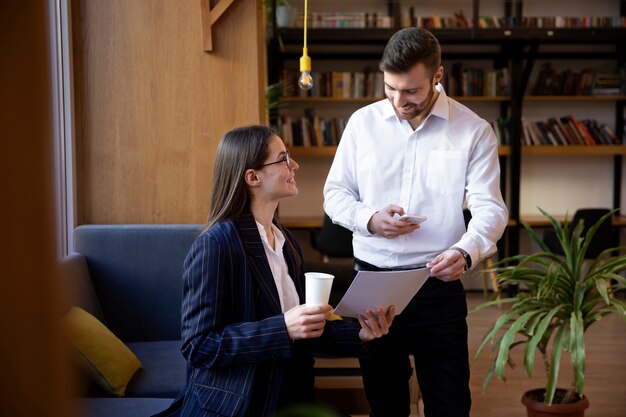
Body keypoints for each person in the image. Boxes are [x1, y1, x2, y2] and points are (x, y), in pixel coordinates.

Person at [323, 27, 508, 417]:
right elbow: (335, 195)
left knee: (450, 402)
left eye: (410, 91)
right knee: (384, 403)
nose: (397, 100)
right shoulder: (362, 124)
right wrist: (370, 219)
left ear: (437, 76)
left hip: (437, 284)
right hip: (373, 285)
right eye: (390, 88)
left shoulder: (474, 130)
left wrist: (466, 250)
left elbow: (490, 207)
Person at [157, 125, 395, 417]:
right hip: (237, 406)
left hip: (289, 397)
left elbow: (305, 329)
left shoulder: (285, 241)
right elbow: (199, 346)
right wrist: (282, 328)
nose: (294, 165)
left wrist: (362, 333)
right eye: (283, 159)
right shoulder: (216, 245)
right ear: (253, 177)